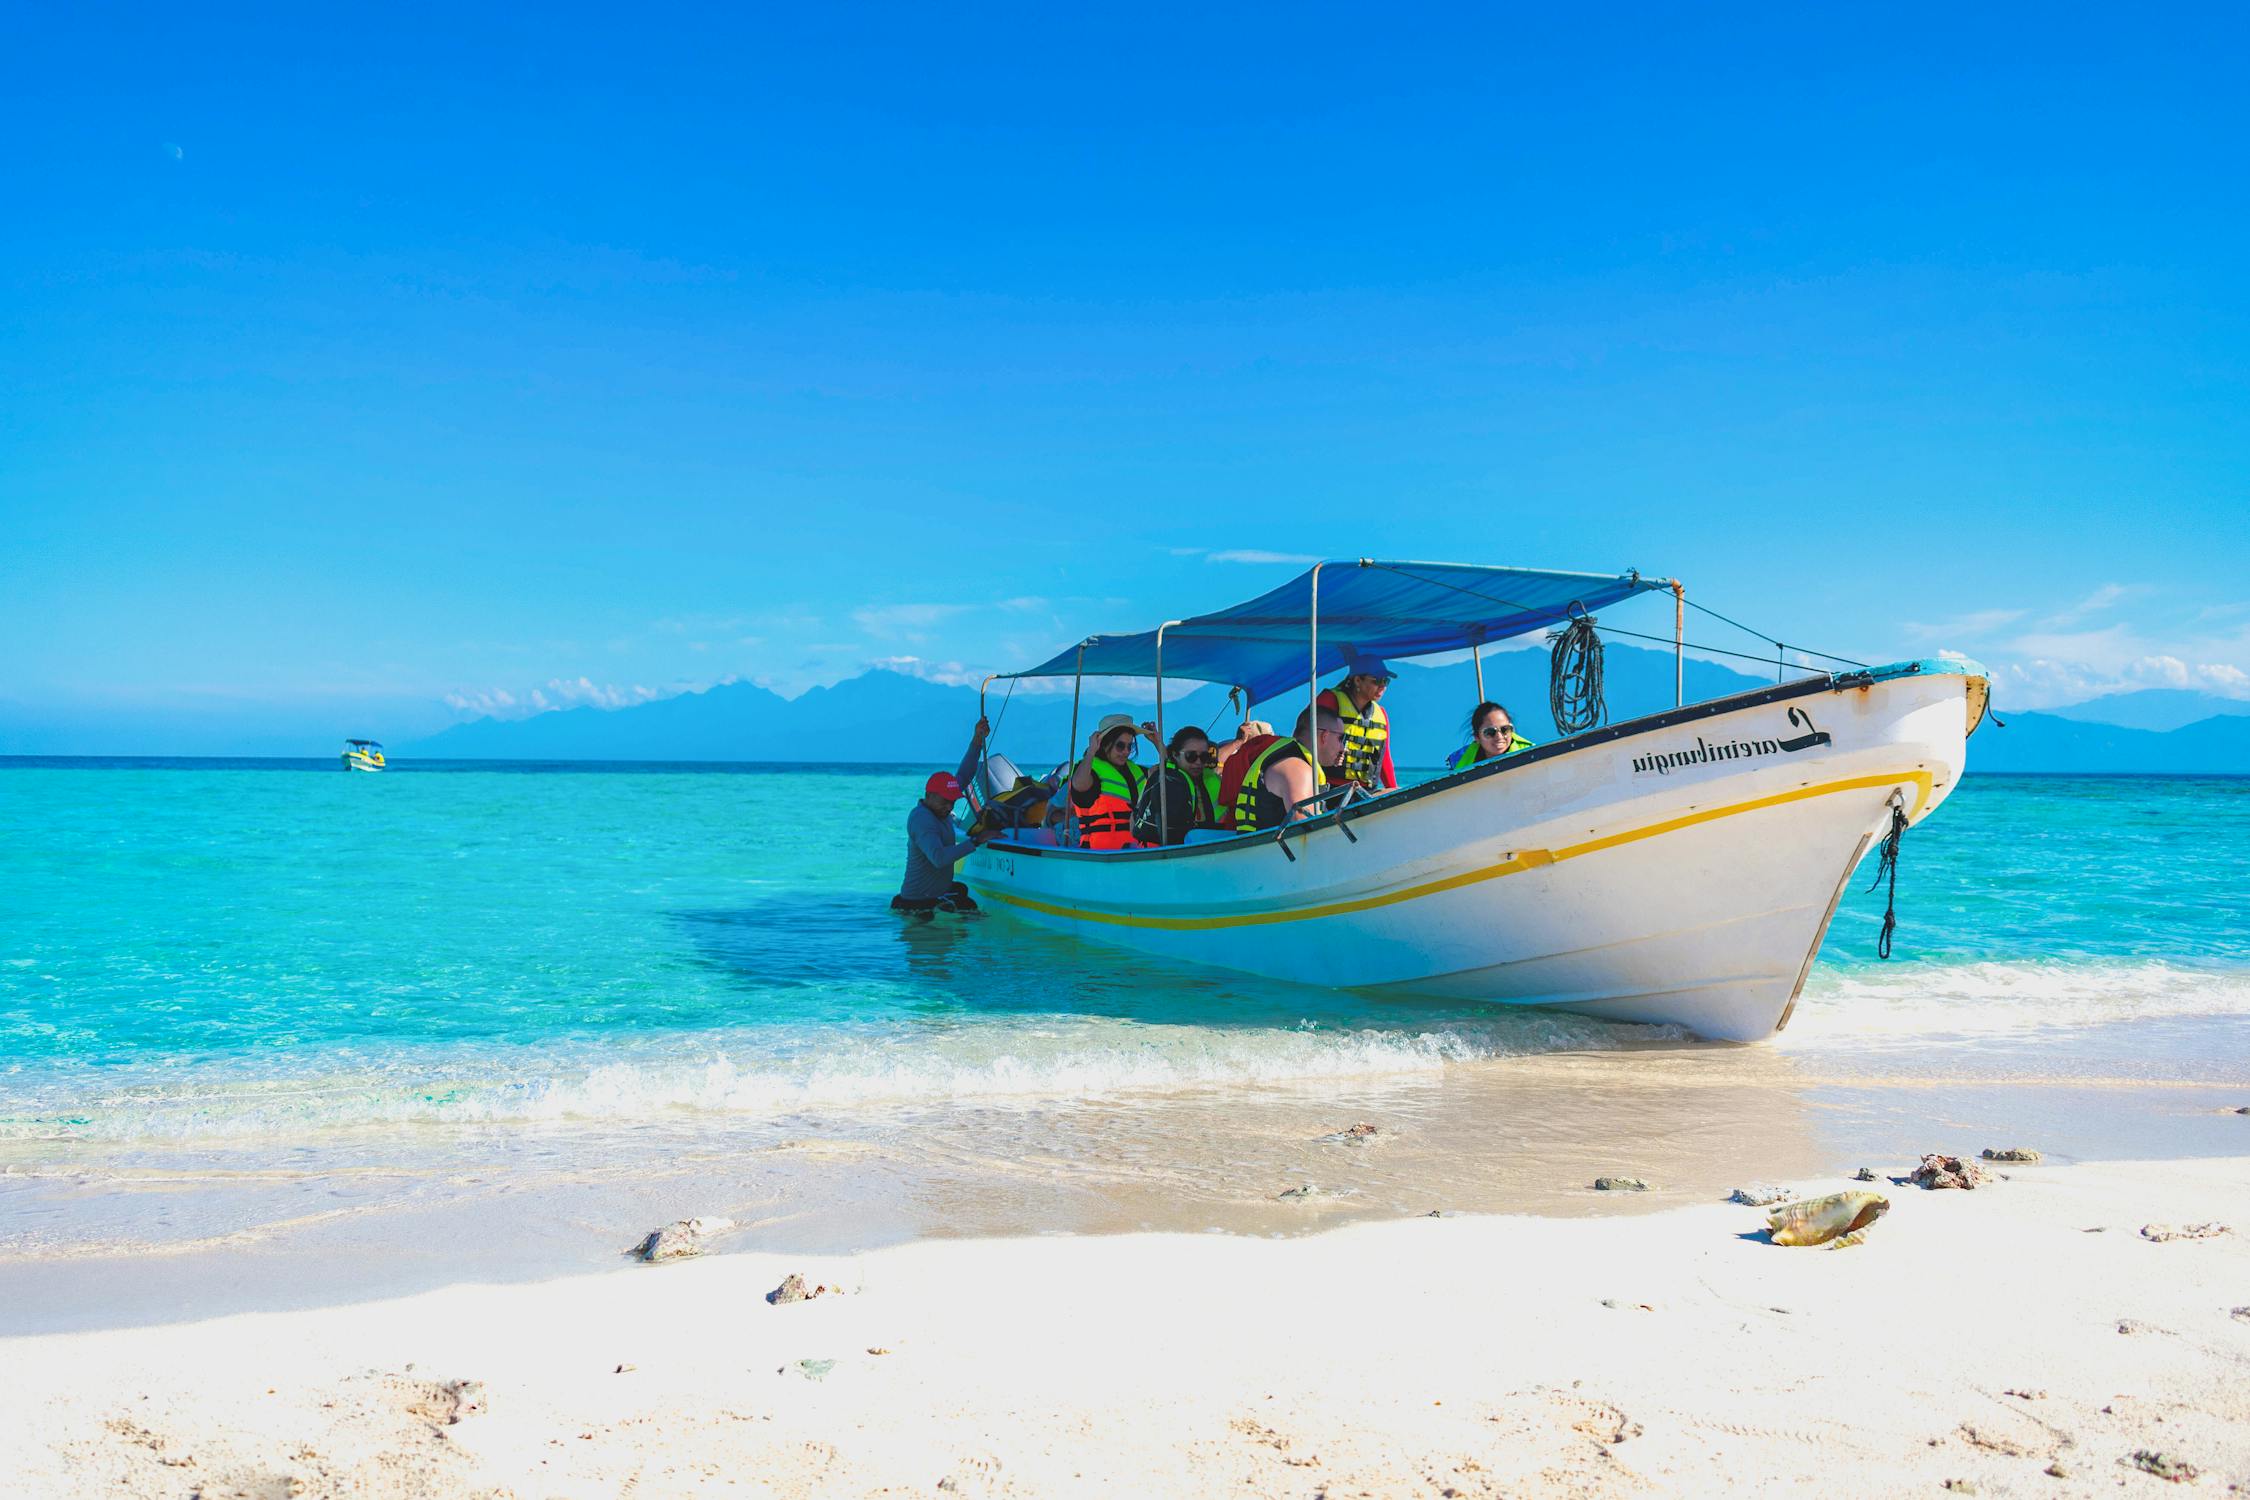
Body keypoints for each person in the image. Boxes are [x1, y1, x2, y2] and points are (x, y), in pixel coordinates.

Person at [893, 717, 992, 914]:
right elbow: (938, 858)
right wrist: (977, 841)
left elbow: (964, 775)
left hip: (938, 894)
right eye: (944, 801)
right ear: (928, 796)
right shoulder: (921, 819)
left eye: (953, 801)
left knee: (967, 900)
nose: (949, 806)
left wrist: (977, 741)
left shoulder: (940, 808)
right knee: (971, 917)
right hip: (916, 904)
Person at [1220, 706, 1342, 832]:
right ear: (1325, 736)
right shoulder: (1297, 769)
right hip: (1270, 850)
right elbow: (1306, 829)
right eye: (1341, 738)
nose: (1343, 747)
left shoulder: (1285, 759)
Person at [1069, 713, 1157, 850]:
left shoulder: (1136, 771)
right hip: (1101, 853)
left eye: (1130, 746)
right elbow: (1079, 786)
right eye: (1120, 746)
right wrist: (1091, 751)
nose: (1126, 752)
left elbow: (1170, 775)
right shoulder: (1090, 770)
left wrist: (1157, 743)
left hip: (1136, 850)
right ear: (1104, 745)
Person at [1132, 725, 1230, 846]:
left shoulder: (1211, 778)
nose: (1198, 762)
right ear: (1176, 755)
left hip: (1214, 847)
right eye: (1191, 756)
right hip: (1176, 854)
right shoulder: (1167, 782)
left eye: (1204, 757)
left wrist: (1158, 742)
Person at [1316, 660, 1397, 792]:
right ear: (1358, 680)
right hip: (1329, 790)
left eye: (1385, 681)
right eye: (1376, 681)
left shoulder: (1381, 714)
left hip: (1365, 791)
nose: (1382, 686)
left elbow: (1384, 756)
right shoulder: (1329, 700)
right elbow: (1307, 741)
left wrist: (1393, 790)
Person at [1446, 701, 1535, 770]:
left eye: (1505, 729)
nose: (1499, 737)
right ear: (1477, 737)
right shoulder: (1459, 763)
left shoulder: (1532, 754)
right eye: (1490, 732)